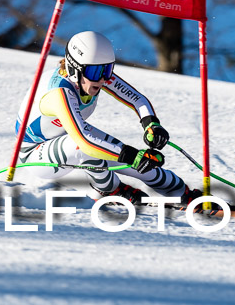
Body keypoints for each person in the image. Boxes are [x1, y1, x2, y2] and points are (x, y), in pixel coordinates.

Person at [15, 30, 202, 205]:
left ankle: (181, 193)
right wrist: (133, 156)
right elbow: (84, 141)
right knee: (95, 148)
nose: (103, 79)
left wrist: (151, 123)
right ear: (74, 69)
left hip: (70, 140)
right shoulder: (59, 92)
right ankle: (108, 190)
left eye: (107, 70)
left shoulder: (92, 75)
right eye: (96, 72)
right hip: (36, 155)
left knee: (136, 162)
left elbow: (137, 100)